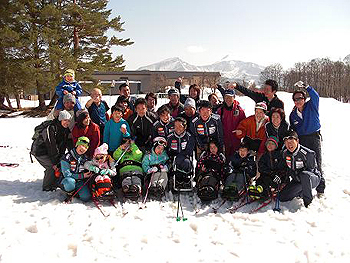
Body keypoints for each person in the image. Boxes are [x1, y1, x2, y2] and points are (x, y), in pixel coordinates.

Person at [289, 81, 325, 195]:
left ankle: (320, 190)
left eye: (300, 98)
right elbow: (293, 129)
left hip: (314, 137)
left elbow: (315, 96)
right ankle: (303, 188)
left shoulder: (311, 105)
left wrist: (307, 87)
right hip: (302, 140)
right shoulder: (293, 115)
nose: (298, 101)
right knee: (304, 164)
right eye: (295, 99)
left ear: (304, 99)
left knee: (317, 163)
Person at [31, 110, 72, 191]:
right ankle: (47, 187)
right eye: (65, 120)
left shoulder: (65, 130)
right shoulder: (50, 128)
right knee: (51, 167)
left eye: (68, 121)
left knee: (59, 164)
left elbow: (63, 145)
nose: (66, 123)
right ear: (60, 120)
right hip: (40, 151)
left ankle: (54, 184)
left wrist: (61, 159)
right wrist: (54, 162)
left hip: (50, 152)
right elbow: (51, 146)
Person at [279, 131, 321, 207]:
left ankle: (308, 202)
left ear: (297, 141)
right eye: (286, 142)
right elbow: (286, 169)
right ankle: (300, 193)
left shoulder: (307, 153)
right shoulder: (285, 153)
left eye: (291, 142)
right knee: (282, 197)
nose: (289, 145)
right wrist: (284, 182)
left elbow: (311, 171)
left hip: (312, 179)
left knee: (304, 175)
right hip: (297, 180)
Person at [167, 117, 195, 190]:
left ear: (185, 127)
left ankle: (186, 179)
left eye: (180, 126)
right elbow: (168, 149)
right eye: (175, 126)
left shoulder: (189, 136)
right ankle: (178, 179)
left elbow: (189, 150)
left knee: (186, 162)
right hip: (174, 158)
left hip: (185, 157)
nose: (177, 128)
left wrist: (180, 156)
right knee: (175, 163)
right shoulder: (170, 137)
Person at [60, 136, 92, 201]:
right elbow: (67, 174)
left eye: (86, 147)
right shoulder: (67, 157)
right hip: (68, 180)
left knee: (86, 197)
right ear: (77, 145)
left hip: (79, 181)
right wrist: (82, 176)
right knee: (69, 182)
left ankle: (76, 193)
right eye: (82, 145)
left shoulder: (85, 158)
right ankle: (69, 193)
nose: (83, 149)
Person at [217, 89, 246, 158]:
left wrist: (241, 131)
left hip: (235, 140)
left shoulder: (239, 110)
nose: (228, 99)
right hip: (224, 140)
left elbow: (244, 125)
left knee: (235, 159)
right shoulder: (220, 110)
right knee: (224, 159)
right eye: (226, 97)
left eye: (230, 97)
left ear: (234, 97)